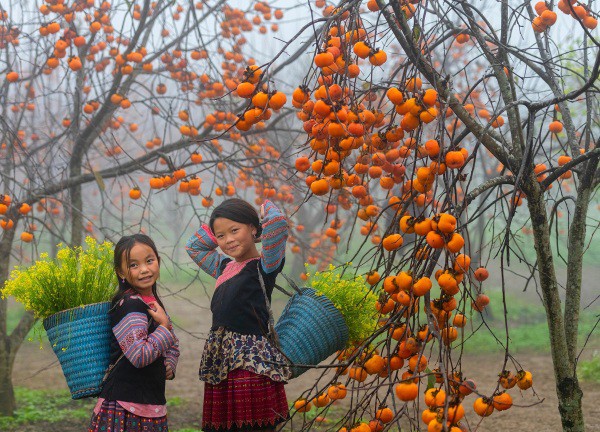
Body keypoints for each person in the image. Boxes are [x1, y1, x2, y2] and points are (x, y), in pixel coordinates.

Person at [186, 198, 290, 432]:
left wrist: (264, 211)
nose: (228, 240)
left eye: (235, 230)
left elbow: (278, 224)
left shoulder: (265, 266)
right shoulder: (224, 268)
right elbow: (194, 246)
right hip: (221, 363)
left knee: (251, 427)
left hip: (251, 365)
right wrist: (218, 230)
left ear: (252, 228)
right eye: (221, 236)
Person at [89, 234, 180, 432]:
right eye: (133, 265)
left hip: (148, 403)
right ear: (120, 272)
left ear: (158, 260)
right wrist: (164, 327)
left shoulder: (150, 301)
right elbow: (139, 355)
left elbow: (172, 341)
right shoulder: (129, 305)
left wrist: (169, 365)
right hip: (124, 409)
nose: (144, 270)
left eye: (149, 261)